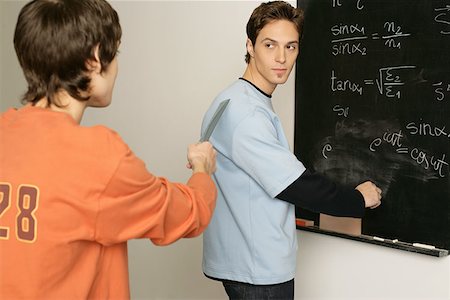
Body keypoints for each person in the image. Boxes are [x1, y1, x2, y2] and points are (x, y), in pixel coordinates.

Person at [0, 0, 217, 299]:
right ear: (93, 60)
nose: (116, 68)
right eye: (114, 54)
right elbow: (189, 213)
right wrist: (202, 167)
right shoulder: (98, 157)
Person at [201, 1, 382, 299]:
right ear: (250, 45)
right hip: (257, 268)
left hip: (245, 262)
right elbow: (298, 186)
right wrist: (357, 200)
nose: (281, 57)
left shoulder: (233, 99)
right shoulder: (246, 113)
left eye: (291, 46)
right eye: (270, 45)